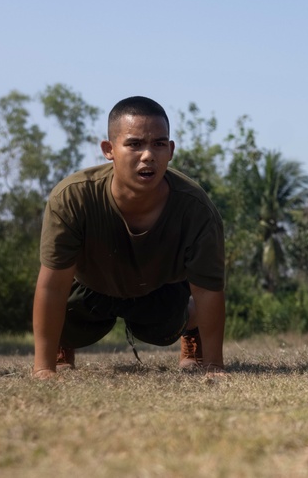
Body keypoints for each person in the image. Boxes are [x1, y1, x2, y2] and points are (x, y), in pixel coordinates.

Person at [31, 96, 227, 379]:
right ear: (109, 149)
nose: (148, 155)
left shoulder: (196, 208)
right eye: (134, 144)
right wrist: (43, 369)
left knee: (169, 325)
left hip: (158, 291)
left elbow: (209, 290)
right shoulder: (72, 197)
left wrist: (215, 367)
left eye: (159, 144)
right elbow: (52, 288)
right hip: (90, 289)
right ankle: (62, 345)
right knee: (65, 314)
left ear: (170, 150)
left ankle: (191, 331)